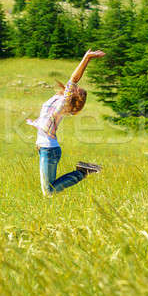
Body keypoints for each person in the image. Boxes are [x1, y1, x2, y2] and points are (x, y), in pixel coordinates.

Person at [27, 49, 105, 196]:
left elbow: (73, 80)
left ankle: (82, 172)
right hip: (45, 148)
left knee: (49, 191)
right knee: (49, 189)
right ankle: (82, 171)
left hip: (49, 149)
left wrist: (86, 58)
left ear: (72, 97)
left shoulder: (63, 105)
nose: (74, 88)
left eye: (75, 90)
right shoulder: (57, 99)